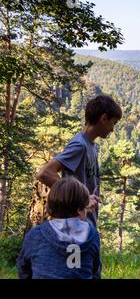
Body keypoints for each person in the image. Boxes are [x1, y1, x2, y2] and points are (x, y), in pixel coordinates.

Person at [36, 94, 122, 225]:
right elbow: (44, 173)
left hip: (85, 221)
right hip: (76, 223)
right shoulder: (79, 145)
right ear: (104, 118)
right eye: (113, 123)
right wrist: (80, 198)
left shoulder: (90, 145)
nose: (112, 129)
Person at [17, 177, 102, 279]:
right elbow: (95, 271)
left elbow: (23, 268)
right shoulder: (92, 235)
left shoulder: (36, 234)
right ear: (80, 209)